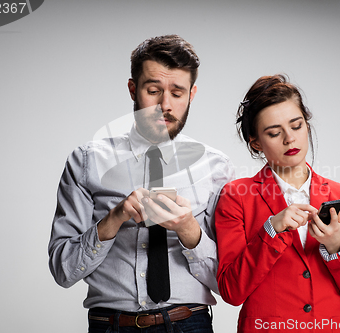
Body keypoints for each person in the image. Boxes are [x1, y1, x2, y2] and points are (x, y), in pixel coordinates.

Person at [48, 35, 234, 333]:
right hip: (111, 325)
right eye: (153, 90)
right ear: (133, 89)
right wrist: (113, 219)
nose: (165, 105)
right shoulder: (86, 162)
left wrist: (189, 229)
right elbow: (63, 270)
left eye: (177, 92)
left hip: (190, 324)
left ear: (192, 94)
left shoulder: (216, 167)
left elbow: (229, 282)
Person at [215, 75, 340, 332]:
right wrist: (271, 230)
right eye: (274, 133)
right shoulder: (236, 196)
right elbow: (232, 291)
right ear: (256, 142)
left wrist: (336, 247)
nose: (289, 139)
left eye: (296, 126)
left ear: (307, 126)